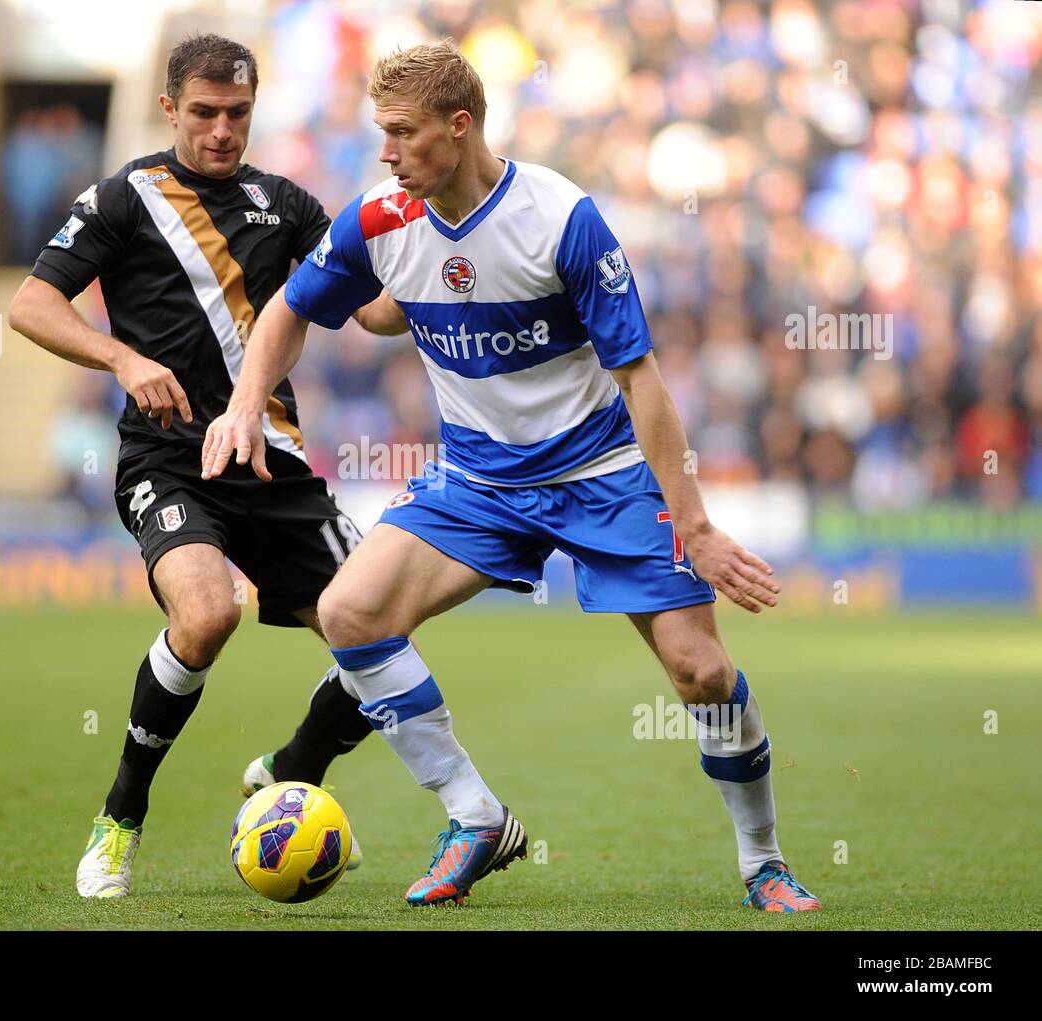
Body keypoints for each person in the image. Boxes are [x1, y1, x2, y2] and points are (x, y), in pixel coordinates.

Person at [203, 41, 821, 912]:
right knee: (349, 610)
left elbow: (641, 380)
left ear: (460, 128)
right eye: (380, 132)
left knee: (703, 673)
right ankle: (473, 814)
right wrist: (243, 405)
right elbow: (288, 312)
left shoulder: (561, 219)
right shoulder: (381, 218)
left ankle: (763, 859)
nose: (385, 152)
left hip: (602, 472)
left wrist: (699, 526)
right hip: (479, 480)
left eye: (403, 133)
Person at [9, 33, 407, 899]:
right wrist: (120, 359)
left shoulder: (288, 204)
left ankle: (291, 768)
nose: (223, 131)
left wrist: (434, 269)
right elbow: (30, 304)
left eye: (237, 114)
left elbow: (373, 314)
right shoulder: (126, 198)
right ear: (170, 109)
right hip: (169, 461)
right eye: (204, 113)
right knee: (207, 611)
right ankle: (119, 817)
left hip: (271, 457)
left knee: (380, 639)